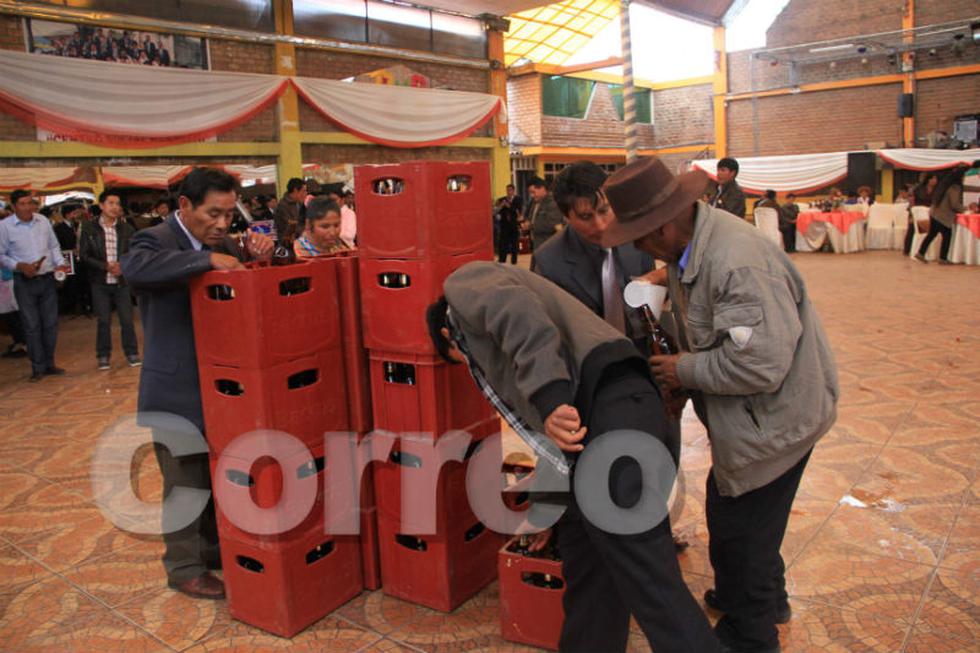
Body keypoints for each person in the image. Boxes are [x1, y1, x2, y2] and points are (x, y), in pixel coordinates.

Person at [602, 157, 839, 653]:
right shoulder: (690, 251)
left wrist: (684, 370)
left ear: (664, 224)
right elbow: (719, 337)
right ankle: (765, 598)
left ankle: (749, 632)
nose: (640, 249)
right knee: (751, 520)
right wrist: (684, 378)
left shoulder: (735, 260)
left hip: (776, 421)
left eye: (642, 237)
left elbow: (761, 364)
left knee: (738, 532)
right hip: (758, 418)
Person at [426, 262, 721, 653]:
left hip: (612, 407)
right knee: (588, 565)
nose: (472, 365)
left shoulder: (462, 286)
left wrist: (549, 397)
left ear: (448, 336)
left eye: (459, 359)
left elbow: (519, 315)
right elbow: (558, 442)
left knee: (648, 579)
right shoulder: (543, 372)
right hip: (607, 420)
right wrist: (549, 509)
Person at [120, 167, 274, 600]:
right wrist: (206, 259)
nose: (222, 224)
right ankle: (183, 567)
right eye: (213, 213)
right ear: (184, 205)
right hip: (175, 385)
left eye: (229, 214)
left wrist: (259, 250)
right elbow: (136, 269)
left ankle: (208, 550)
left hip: (219, 384)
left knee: (214, 472)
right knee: (183, 479)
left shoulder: (223, 242)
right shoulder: (155, 240)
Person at [0, 190, 70, 381]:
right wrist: (19, 266)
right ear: (13, 206)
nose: (28, 207)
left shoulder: (42, 221)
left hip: (46, 278)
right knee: (31, 325)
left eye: (30, 203)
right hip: (24, 281)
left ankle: (49, 363)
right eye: (22, 204)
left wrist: (59, 263)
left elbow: (54, 246)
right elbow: (1, 255)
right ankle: (37, 367)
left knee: (50, 324)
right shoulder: (5, 227)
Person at [79, 190, 140, 369]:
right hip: (100, 281)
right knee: (103, 319)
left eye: (118, 204)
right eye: (111, 203)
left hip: (121, 282)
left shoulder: (126, 229)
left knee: (127, 319)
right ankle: (103, 355)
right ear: (102, 206)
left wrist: (122, 265)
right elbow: (84, 255)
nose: (115, 207)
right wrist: (105, 266)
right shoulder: (89, 228)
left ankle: (132, 353)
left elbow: (134, 253)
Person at [915, 166, 966, 265]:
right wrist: (965, 209)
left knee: (931, 234)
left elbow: (967, 188)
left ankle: (920, 253)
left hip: (935, 213)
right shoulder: (955, 187)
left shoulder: (945, 184)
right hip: (943, 216)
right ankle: (943, 258)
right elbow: (954, 204)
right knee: (947, 236)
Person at [526, 176, 563, 253]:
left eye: (533, 192)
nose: (532, 195)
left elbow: (554, 225)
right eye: (530, 193)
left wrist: (531, 225)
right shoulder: (535, 202)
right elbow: (532, 218)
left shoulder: (552, 203)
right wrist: (528, 223)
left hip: (548, 246)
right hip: (537, 244)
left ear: (542, 188)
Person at [274, 177, 307, 246]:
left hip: (301, 241)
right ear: (295, 190)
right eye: (303, 191)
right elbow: (289, 226)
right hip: (288, 244)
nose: (306, 194)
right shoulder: (282, 206)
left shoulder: (300, 203)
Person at [495, 184, 522, 265]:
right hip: (504, 226)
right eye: (507, 190)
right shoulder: (502, 199)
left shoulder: (518, 199)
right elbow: (496, 211)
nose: (508, 192)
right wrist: (501, 205)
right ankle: (502, 261)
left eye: (510, 190)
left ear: (513, 191)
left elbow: (518, 212)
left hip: (513, 225)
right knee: (503, 244)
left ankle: (514, 262)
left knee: (514, 244)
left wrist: (509, 206)